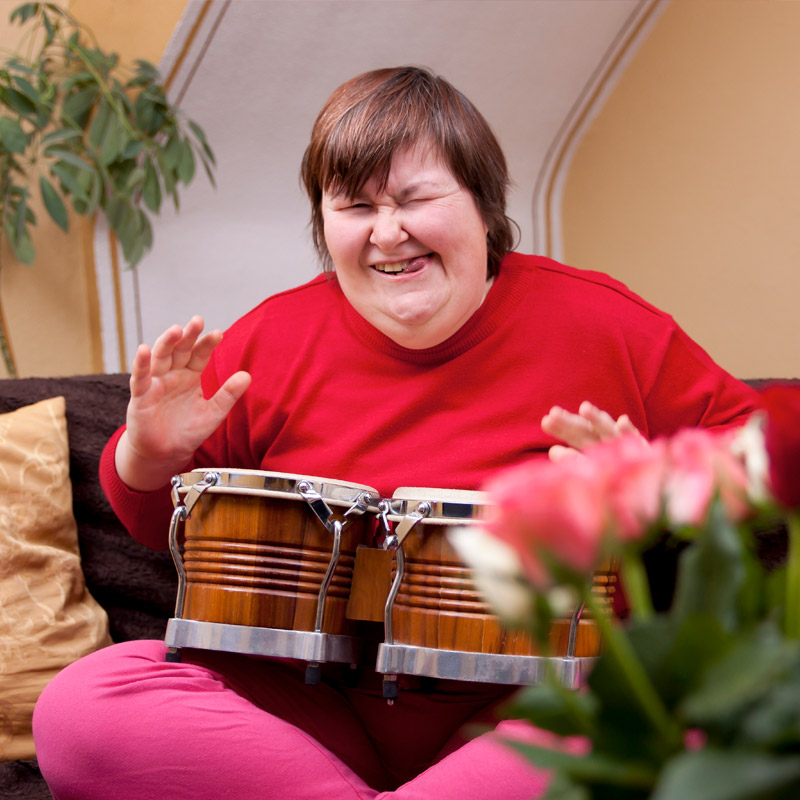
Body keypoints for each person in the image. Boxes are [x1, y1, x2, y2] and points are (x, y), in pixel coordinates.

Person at [32, 66, 758, 800]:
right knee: (84, 704)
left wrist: (666, 483)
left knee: (677, 709)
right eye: (355, 206)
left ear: (482, 204)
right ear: (325, 224)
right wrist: (150, 456)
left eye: (415, 198)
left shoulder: (607, 325)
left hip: (533, 710)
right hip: (310, 711)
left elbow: (765, 460)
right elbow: (171, 532)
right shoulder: (267, 338)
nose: (388, 232)